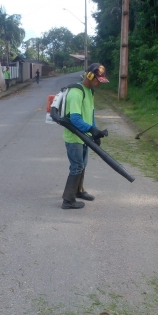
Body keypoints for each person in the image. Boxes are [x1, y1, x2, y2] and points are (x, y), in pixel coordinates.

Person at [61, 63, 109, 209]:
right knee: (77, 166)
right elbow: (75, 118)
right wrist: (90, 129)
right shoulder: (76, 93)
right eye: (98, 80)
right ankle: (68, 200)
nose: (99, 84)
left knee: (83, 165)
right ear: (89, 75)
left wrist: (95, 132)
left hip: (84, 136)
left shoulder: (90, 92)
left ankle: (79, 191)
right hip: (74, 137)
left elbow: (90, 114)